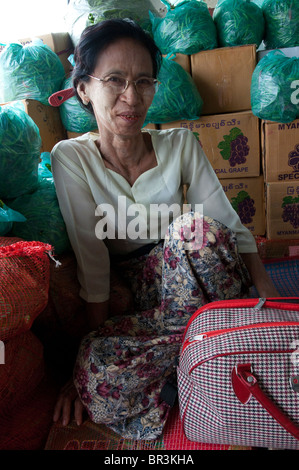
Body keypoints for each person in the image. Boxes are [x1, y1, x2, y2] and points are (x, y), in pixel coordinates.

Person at [50, 18, 280, 439]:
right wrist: (89, 349)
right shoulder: (71, 157)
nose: (131, 96)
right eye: (114, 80)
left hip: (197, 277)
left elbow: (229, 226)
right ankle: (210, 351)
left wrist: (267, 294)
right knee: (95, 373)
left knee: (195, 232)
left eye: (143, 81)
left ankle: (203, 352)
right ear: (83, 88)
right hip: (142, 297)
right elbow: (92, 258)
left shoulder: (180, 144)